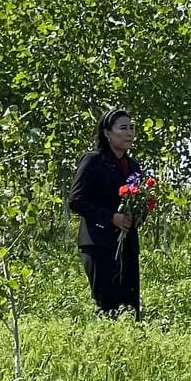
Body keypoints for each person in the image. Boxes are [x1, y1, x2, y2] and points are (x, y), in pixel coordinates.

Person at [68, 108, 144, 318]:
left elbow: (140, 201)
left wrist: (137, 214)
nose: (129, 133)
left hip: (126, 243)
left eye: (131, 127)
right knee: (107, 304)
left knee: (130, 306)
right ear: (107, 134)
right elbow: (76, 200)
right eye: (123, 128)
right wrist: (111, 217)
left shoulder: (134, 167)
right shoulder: (93, 161)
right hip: (98, 242)